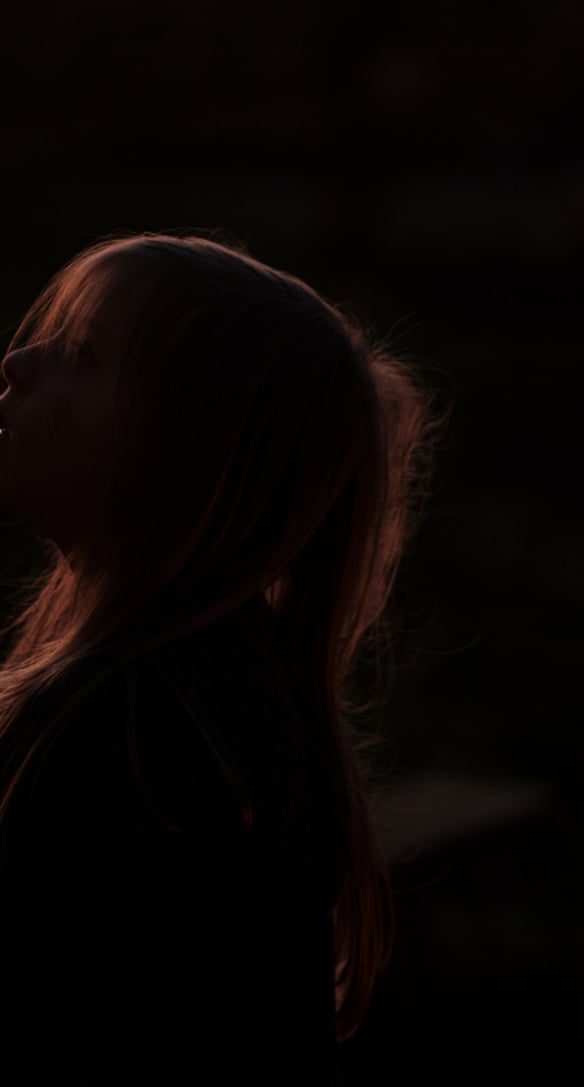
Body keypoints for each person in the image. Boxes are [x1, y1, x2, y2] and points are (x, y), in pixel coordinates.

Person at [0, 230, 450, 1083]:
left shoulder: (126, 738)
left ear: (182, 459)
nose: (17, 362)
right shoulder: (222, 696)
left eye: (82, 356)